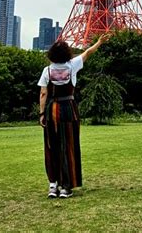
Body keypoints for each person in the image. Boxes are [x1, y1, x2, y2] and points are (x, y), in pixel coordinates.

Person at [38, 34, 109, 199]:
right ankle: (66, 186)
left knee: (51, 146)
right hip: (69, 108)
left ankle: (53, 185)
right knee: (69, 146)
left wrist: (42, 113)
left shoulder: (47, 70)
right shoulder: (73, 65)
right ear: (67, 53)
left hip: (52, 110)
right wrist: (99, 42)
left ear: (51, 55)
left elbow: (43, 93)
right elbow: (88, 53)